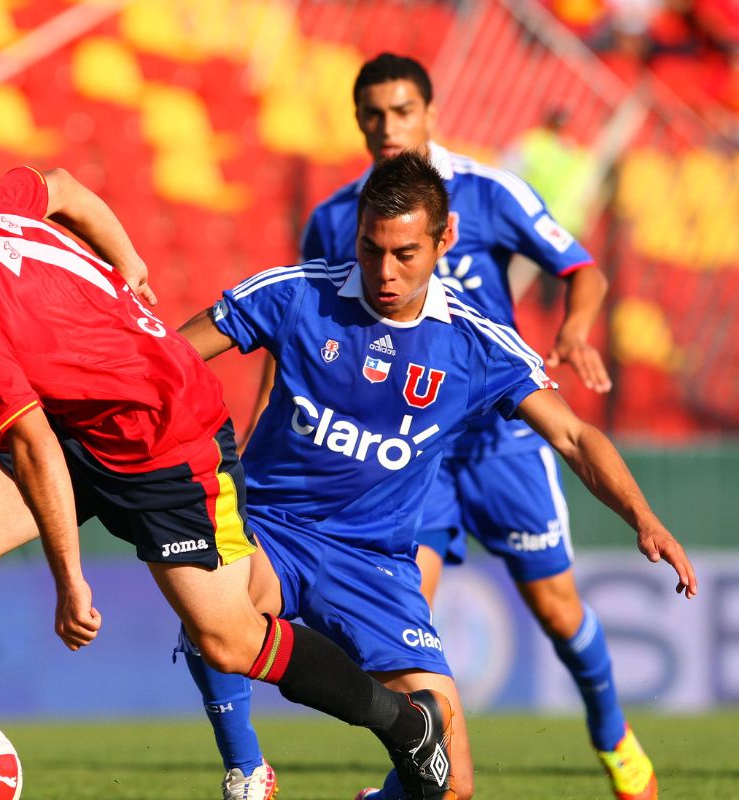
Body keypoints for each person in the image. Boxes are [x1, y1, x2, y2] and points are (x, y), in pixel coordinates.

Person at [0, 163, 460, 800]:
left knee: (228, 639)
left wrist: (69, 578)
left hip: (169, 440)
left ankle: (404, 723)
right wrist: (127, 262)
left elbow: (35, 447)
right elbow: (64, 186)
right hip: (86, 426)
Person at [187, 53, 660, 800]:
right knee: (213, 596)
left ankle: (606, 730)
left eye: (401, 110)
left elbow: (580, 298)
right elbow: (281, 349)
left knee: (551, 617)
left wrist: (577, 332)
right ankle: (252, 768)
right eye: (372, 114)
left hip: (489, 437)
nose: (387, 127)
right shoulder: (327, 233)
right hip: (383, 475)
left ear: (445, 238)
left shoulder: (487, 204)